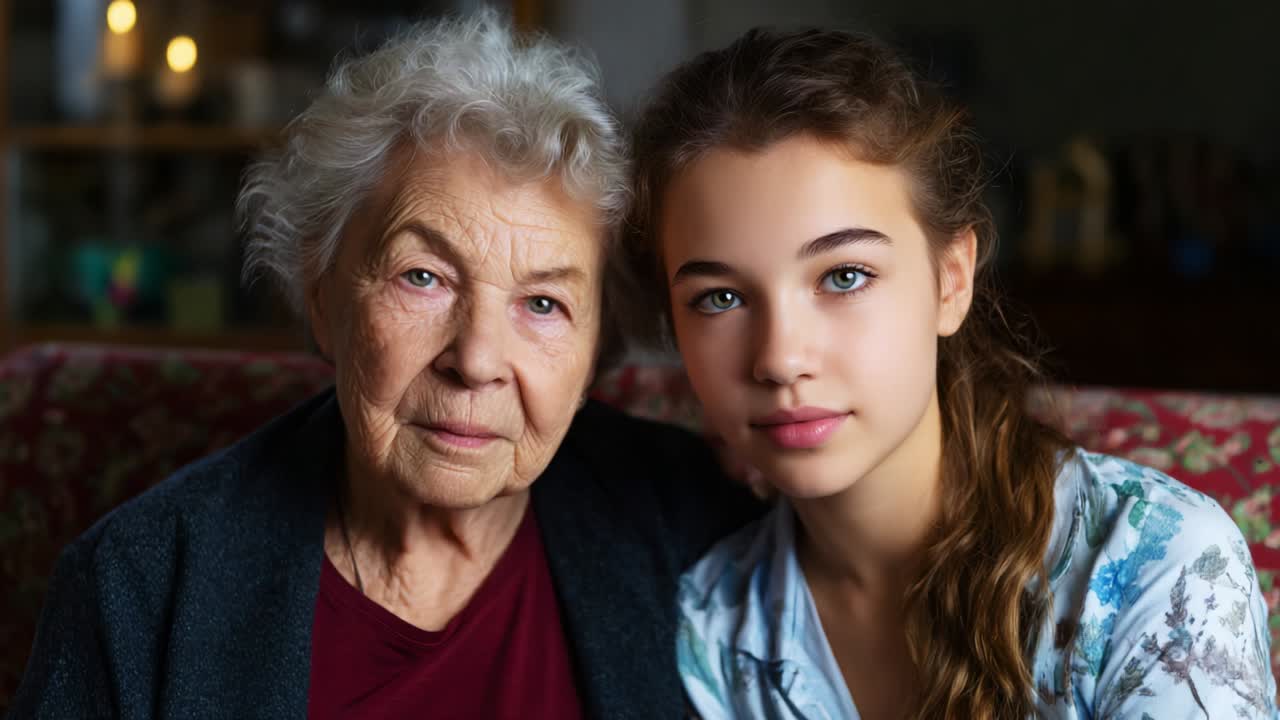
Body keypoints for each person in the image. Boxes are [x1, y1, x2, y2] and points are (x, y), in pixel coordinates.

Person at [10, 11, 759, 719]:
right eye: (422, 278)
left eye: (543, 305)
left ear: (599, 346)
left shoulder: (692, 517)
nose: (476, 361)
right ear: (321, 298)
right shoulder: (139, 588)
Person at [623, 26, 1277, 719]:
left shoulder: (1158, 565)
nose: (780, 358)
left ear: (951, 280)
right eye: (719, 298)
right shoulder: (714, 629)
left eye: (845, 276)